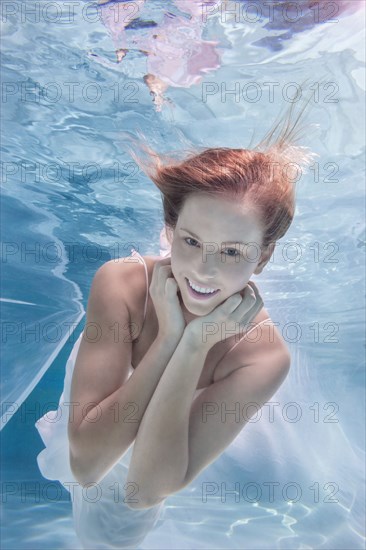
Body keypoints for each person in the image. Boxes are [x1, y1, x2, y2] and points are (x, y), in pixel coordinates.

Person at [35, 98, 317, 548]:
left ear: (263, 257)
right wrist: (168, 339)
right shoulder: (122, 284)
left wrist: (192, 344)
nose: (204, 271)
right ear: (169, 230)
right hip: (90, 425)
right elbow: (86, 463)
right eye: (191, 241)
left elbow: (143, 491)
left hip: (149, 466)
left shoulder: (263, 355)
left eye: (231, 252)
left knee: (108, 537)